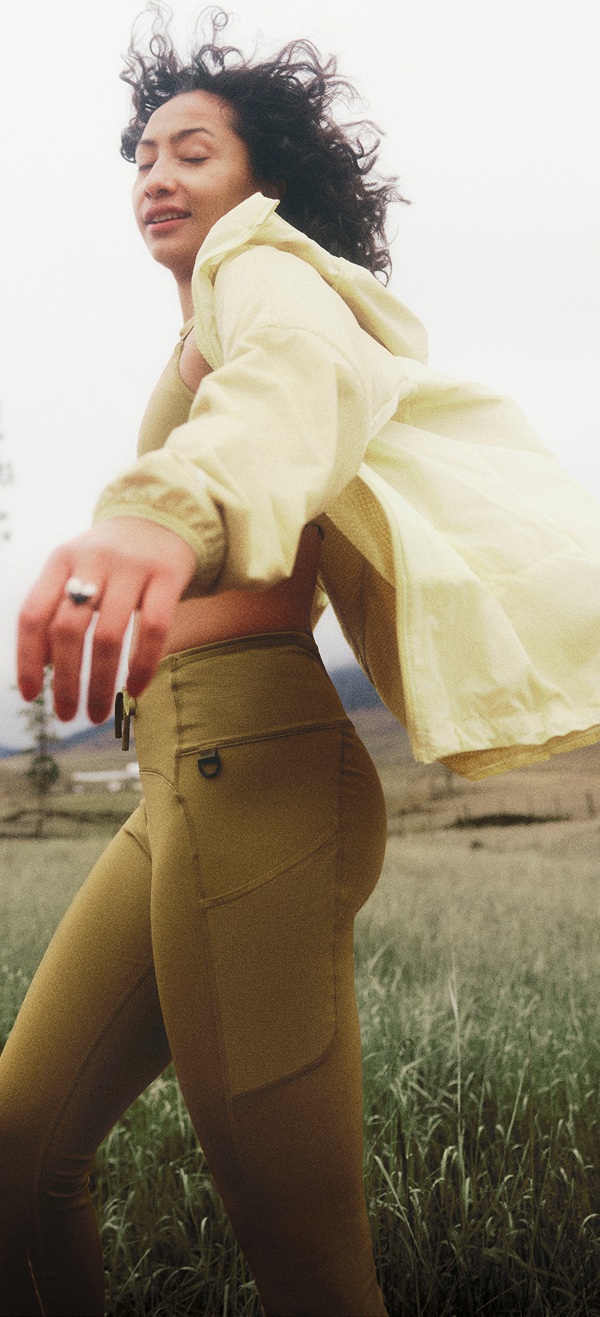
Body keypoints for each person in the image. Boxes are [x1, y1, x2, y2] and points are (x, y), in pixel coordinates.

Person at [2, 7, 600, 1316]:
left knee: (309, 1274)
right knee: (19, 1148)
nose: (158, 174)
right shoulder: (198, 322)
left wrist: (159, 514)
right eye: (144, 154)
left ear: (259, 180)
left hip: (255, 776)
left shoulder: (267, 272)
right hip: (177, 786)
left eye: (194, 150)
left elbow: (296, 384)